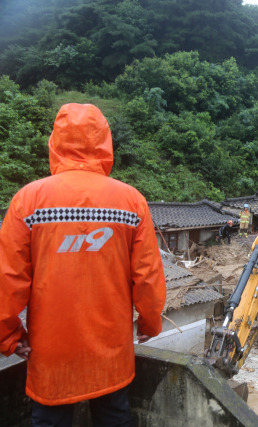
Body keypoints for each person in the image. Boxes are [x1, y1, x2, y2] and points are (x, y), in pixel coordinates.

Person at [0, 103, 166, 426]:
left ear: (55, 142)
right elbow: (147, 277)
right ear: (105, 142)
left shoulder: (27, 202)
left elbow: (7, 280)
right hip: (111, 356)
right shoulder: (132, 203)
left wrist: (9, 336)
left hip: (51, 358)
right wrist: (150, 323)